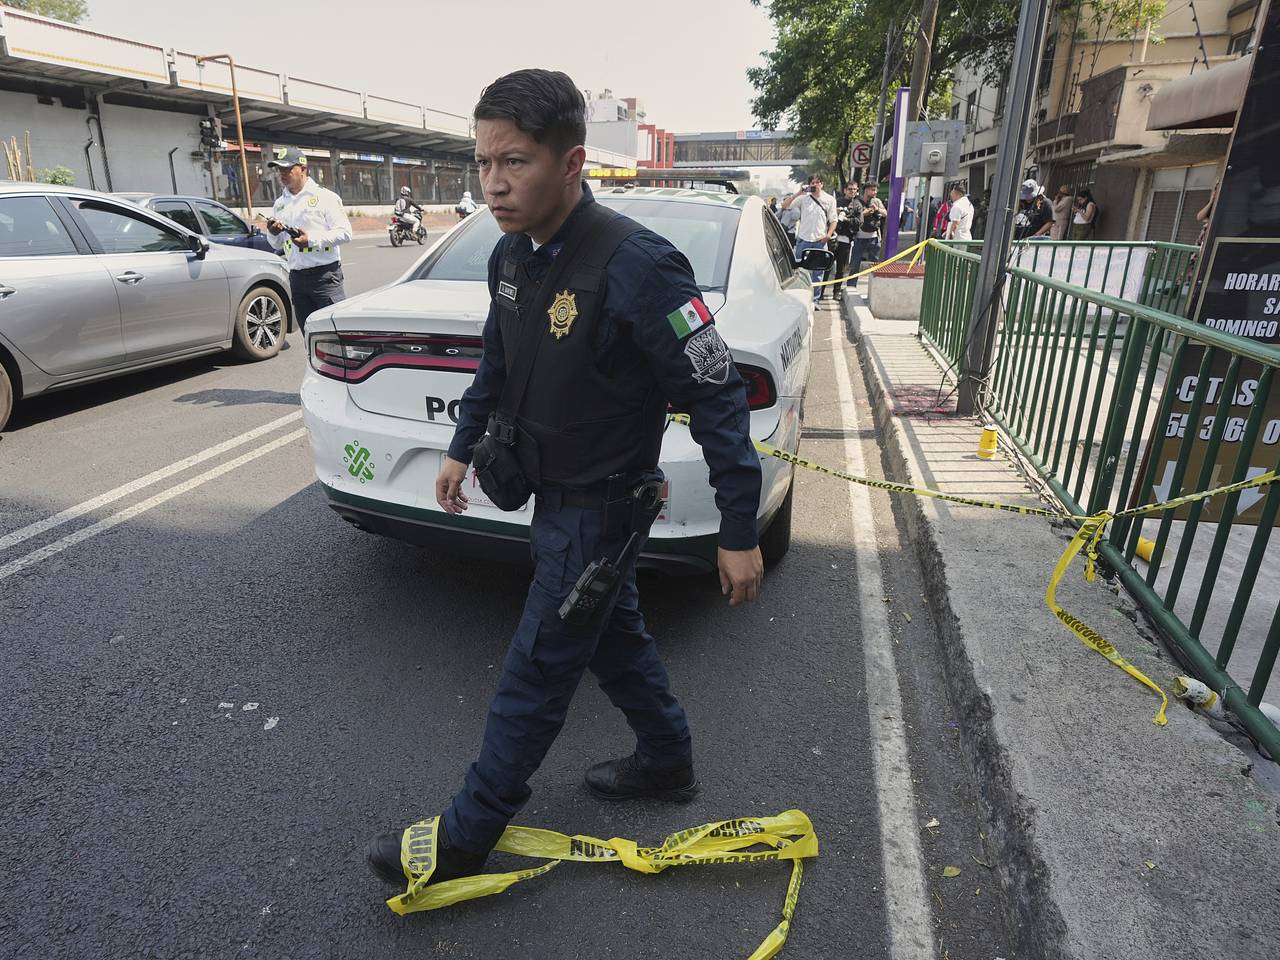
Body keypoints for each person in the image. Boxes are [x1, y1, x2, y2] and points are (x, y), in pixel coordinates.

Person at [364, 69, 764, 892]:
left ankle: (466, 837)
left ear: (573, 161)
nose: (493, 184)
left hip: (603, 511)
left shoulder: (642, 266)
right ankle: (667, 762)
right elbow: (499, 362)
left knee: (537, 671)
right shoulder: (511, 255)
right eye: (481, 162)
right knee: (612, 639)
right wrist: (459, 447)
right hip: (549, 497)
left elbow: (718, 394)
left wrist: (737, 528)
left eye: (514, 162)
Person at [264, 146, 352, 333]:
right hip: (297, 277)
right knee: (310, 335)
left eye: (287, 169)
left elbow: (345, 232)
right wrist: (272, 232)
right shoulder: (280, 204)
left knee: (336, 334)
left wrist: (311, 240)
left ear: (303, 169)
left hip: (325, 278)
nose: (282, 174)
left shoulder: (325, 197)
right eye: (280, 170)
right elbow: (277, 244)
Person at [781, 174, 837, 302]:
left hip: (820, 241)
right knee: (799, 272)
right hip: (803, 240)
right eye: (813, 182)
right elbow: (785, 206)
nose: (815, 185)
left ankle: (815, 300)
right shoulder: (803, 199)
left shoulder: (829, 200)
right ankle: (799, 299)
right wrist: (799, 192)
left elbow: (834, 220)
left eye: (818, 182)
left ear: (822, 184)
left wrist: (828, 235)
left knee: (818, 273)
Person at [850, 181, 886, 293]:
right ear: (866, 190)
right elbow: (854, 215)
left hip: (874, 238)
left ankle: (874, 288)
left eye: (876, 190)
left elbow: (885, 213)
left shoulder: (877, 201)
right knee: (855, 264)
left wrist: (877, 209)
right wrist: (867, 212)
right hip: (860, 237)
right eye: (872, 190)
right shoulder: (857, 202)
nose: (874, 192)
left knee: (874, 265)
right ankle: (851, 287)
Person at [829, 182, 859, 298]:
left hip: (846, 239)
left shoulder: (857, 205)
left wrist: (846, 219)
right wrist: (836, 213)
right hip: (832, 238)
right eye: (850, 189)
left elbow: (858, 222)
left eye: (854, 190)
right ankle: (819, 293)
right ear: (845, 190)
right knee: (827, 266)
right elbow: (828, 217)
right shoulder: (836, 202)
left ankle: (836, 292)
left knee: (841, 269)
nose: (852, 191)